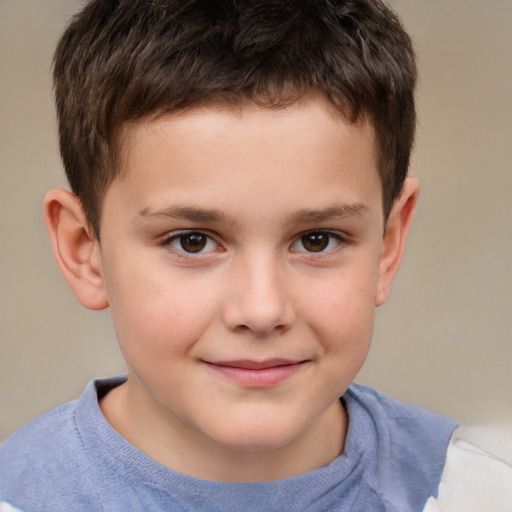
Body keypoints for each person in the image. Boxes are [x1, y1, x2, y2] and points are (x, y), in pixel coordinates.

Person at [0, 0, 465, 510]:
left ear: (388, 244)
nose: (262, 310)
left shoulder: (471, 492)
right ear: (85, 251)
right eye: (192, 241)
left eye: (317, 240)